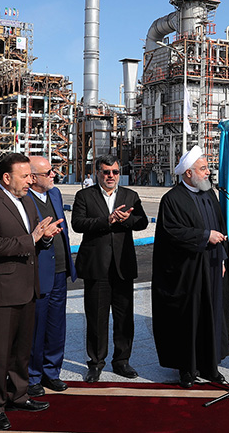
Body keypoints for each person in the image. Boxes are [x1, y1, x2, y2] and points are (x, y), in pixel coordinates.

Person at [0, 153, 63, 431]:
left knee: (22, 350)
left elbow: (36, 240)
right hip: (3, 289)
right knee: (0, 353)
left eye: (31, 176)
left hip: (28, 286)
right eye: (25, 176)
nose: (30, 181)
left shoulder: (27, 201)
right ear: (6, 177)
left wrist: (45, 238)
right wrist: (32, 238)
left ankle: (19, 395)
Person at [152, 145, 229, 389]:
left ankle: (210, 366)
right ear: (188, 173)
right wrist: (205, 236)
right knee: (190, 318)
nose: (208, 172)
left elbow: (220, 227)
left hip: (212, 266)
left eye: (207, 168)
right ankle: (187, 369)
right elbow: (172, 232)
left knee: (213, 315)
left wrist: (222, 259)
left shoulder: (210, 194)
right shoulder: (172, 199)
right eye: (203, 168)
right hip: (188, 271)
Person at [71, 154, 148, 383]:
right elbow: (78, 224)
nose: (111, 176)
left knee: (124, 317)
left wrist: (125, 220)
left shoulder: (130, 195)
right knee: (96, 317)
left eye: (114, 172)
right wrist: (108, 220)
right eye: (106, 172)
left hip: (123, 266)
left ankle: (122, 360)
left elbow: (142, 222)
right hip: (96, 266)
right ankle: (96, 363)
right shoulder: (85, 196)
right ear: (97, 173)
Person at [24, 156, 77, 397]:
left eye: (53, 170)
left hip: (60, 271)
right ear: (33, 178)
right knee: (37, 326)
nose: (54, 175)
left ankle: (52, 372)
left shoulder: (55, 194)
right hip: (38, 272)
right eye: (48, 172)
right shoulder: (25, 199)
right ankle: (33, 376)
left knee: (57, 325)